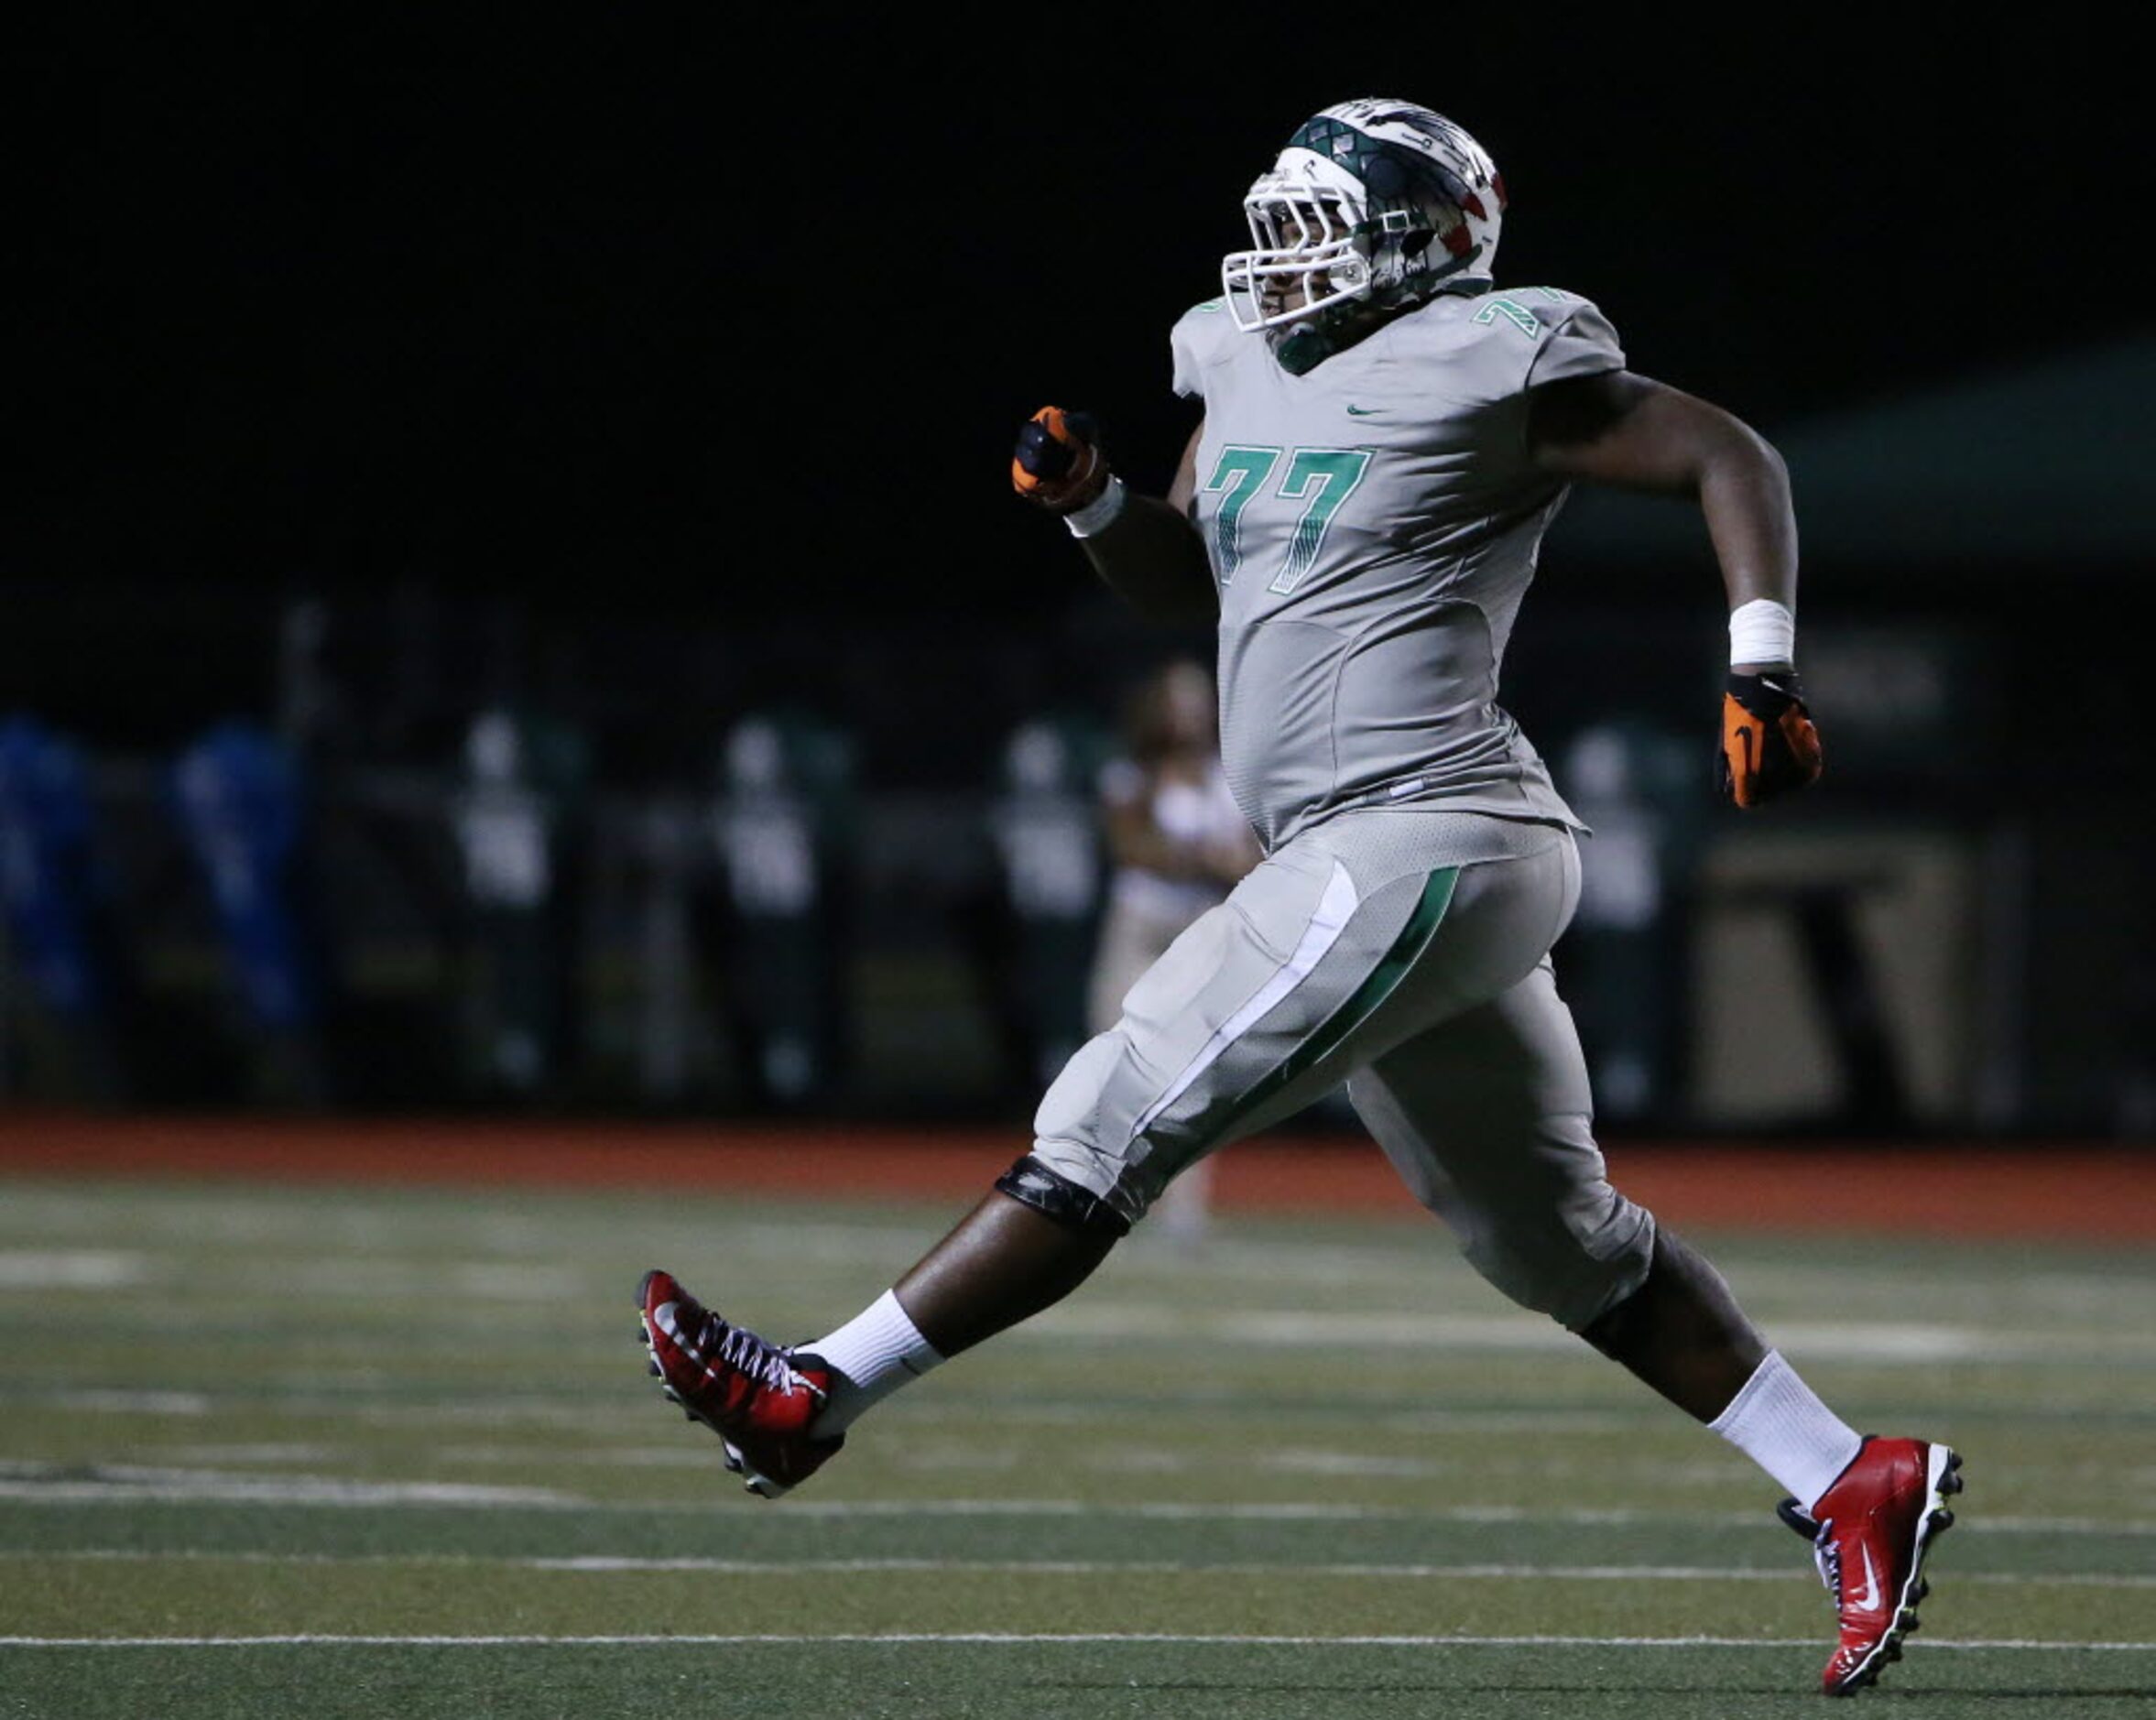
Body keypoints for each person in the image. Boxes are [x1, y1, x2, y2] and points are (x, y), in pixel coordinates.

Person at [638, 98, 1960, 1698]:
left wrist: (1755, 663)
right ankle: (1845, 1473)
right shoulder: (1236, 356)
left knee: (1120, 1096)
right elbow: (1194, 581)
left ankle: (810, 1389)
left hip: (1428, 825)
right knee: (1558, 1241)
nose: (1275, 259)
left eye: (1312, 224)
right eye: (1272, 225)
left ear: (1426, 235)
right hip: (1356, 852)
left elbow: (1719, 452)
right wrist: (1091, 509)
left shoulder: (1496, 355)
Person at [1087, 658, 1262, 1240]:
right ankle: (1092, 1193)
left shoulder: (1227, 777)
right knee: (1111, 1058)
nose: (1190, 712)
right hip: (1139, 927)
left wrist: (1204, 858)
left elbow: (1251, 863)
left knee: (1190, 1069)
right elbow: (1132, 847)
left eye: (1199, 700)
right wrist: (1202, 858)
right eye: (1179, 700)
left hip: (1198, 931)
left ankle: (1185, 1211)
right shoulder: (1132, 773)